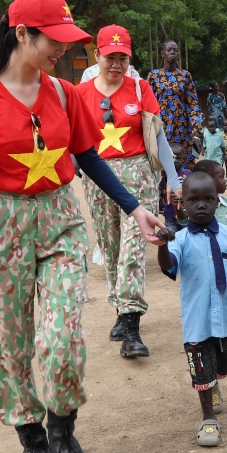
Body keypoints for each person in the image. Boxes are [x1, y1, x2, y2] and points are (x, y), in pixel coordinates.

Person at [0, 0, 166, 453]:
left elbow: (88, 157)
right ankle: (33, 444)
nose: (63, 49)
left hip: (61, 220)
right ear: (22, 34)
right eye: (55, 39)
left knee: (62, 337)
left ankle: (64, 437)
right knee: (11, 343)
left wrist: (135, 208)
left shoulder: (65, 94)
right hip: (2, 226)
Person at [77, 25, 181, 358]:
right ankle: (121, 311)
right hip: (98, 178)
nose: (116, 64)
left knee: (134, 247)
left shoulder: (140, 88)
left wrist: (173, 177)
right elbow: (72, 141)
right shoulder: (80, 94)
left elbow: (158, 136)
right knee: (110, 248)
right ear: (97, 56)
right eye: (110, 57)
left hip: (138, 176)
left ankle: (132, 326)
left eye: (122, 58)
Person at [156, 172, 227, 447]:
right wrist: (162, 245)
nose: (201, 205)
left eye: (208, 199)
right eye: (193, 200)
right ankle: (208, 418)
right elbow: (168, 267)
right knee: (201, 370)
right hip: (197, 320)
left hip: (226, 316)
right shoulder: (180, 239)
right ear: (183, 204)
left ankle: (214, 381)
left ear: (217, 201)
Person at [147, 40, 203, 161]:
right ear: (162, 54)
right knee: (161, 163)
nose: (172, 52)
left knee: (184, 162)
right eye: (169, 50)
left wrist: (196, 132)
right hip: (160, 127)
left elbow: (193, 104)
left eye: (175, 50)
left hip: (182, 128)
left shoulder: (185, 75)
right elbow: (147, 103)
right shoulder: (154, 75)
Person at [192, 159, 227, 239]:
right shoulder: (197, 206)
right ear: (209, 180)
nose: (225, 181)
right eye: (221, 177)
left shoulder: (226, 203)